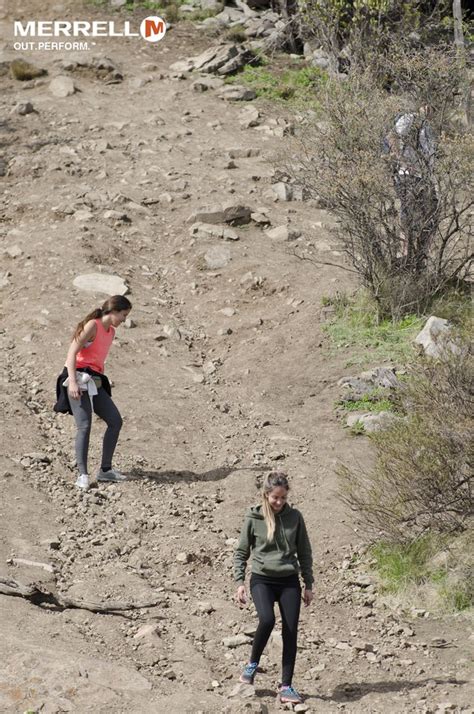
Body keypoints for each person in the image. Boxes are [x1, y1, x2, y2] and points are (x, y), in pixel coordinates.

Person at [234, 472, 314, 706]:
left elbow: (305, 552)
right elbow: (241, 552)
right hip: (262, 579)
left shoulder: (295, 517)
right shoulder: (254, 516)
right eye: (275, 498)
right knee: (267, 620)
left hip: (289, 580)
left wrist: (308, 583)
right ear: (266, 495)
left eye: (283, 498)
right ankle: (251, 665)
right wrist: (239, 582)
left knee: (291, 631)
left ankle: (286, 685)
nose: (279, 502)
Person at [54, 295, 132, 491]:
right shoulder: (93, 325)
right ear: (113, 311)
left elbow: (97, 358)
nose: (124, 320)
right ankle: (82, 475)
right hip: (76, 378)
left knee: (115, 420)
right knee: (84, 425)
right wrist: (72, 382)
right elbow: (72, 353)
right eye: (123, 315)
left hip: (94, 380)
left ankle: (105, 470)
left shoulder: (111, 331)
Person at [383, 107, 438, 268]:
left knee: (431, 215)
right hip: (407, 175)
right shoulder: (410, 119)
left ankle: (419, 256)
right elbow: (391, 136)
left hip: (424, 177)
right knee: (409, 215)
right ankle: (406, 256)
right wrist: (403, 162)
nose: (429, 108)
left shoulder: (429, 124)